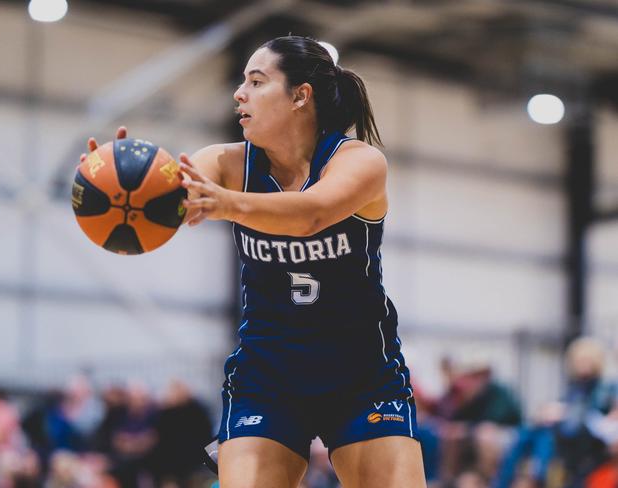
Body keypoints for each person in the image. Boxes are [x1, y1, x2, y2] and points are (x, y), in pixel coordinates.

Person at [84, 35, 425, 487]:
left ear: (301, 95)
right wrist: (127, 183)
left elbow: (312, 215)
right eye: (242, 82)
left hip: (362, 374)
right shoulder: (225, 164)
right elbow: (175, 198)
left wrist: (227, 204)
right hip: (268, 375)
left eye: (256, 81)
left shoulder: (360, 162)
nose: (238, 93)